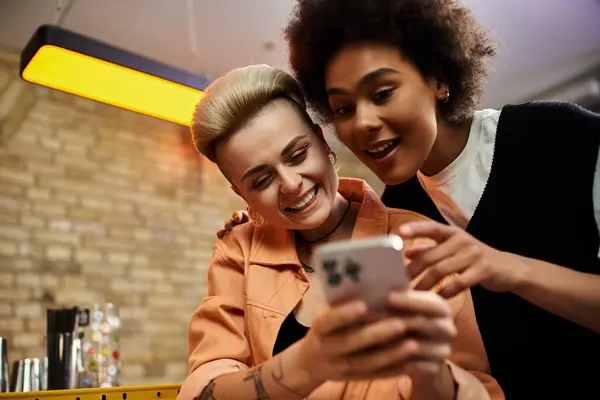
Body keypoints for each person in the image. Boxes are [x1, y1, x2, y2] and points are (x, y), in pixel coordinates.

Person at [217, 0, 600, 398]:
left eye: (382, 93)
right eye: (344, 108)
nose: (362, 122)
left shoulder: (558, 135)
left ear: (438, 79)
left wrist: (506, 268)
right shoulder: (399, 210)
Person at [178, 65, 503, 400]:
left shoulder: (419, 240)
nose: (291, 184)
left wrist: (431, 374)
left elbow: (481, 388)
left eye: (298, 154)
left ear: (322, 142)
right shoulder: (238, 253)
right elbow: (203, 391)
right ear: (241, 194)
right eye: (261, 181)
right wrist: (307, 363)